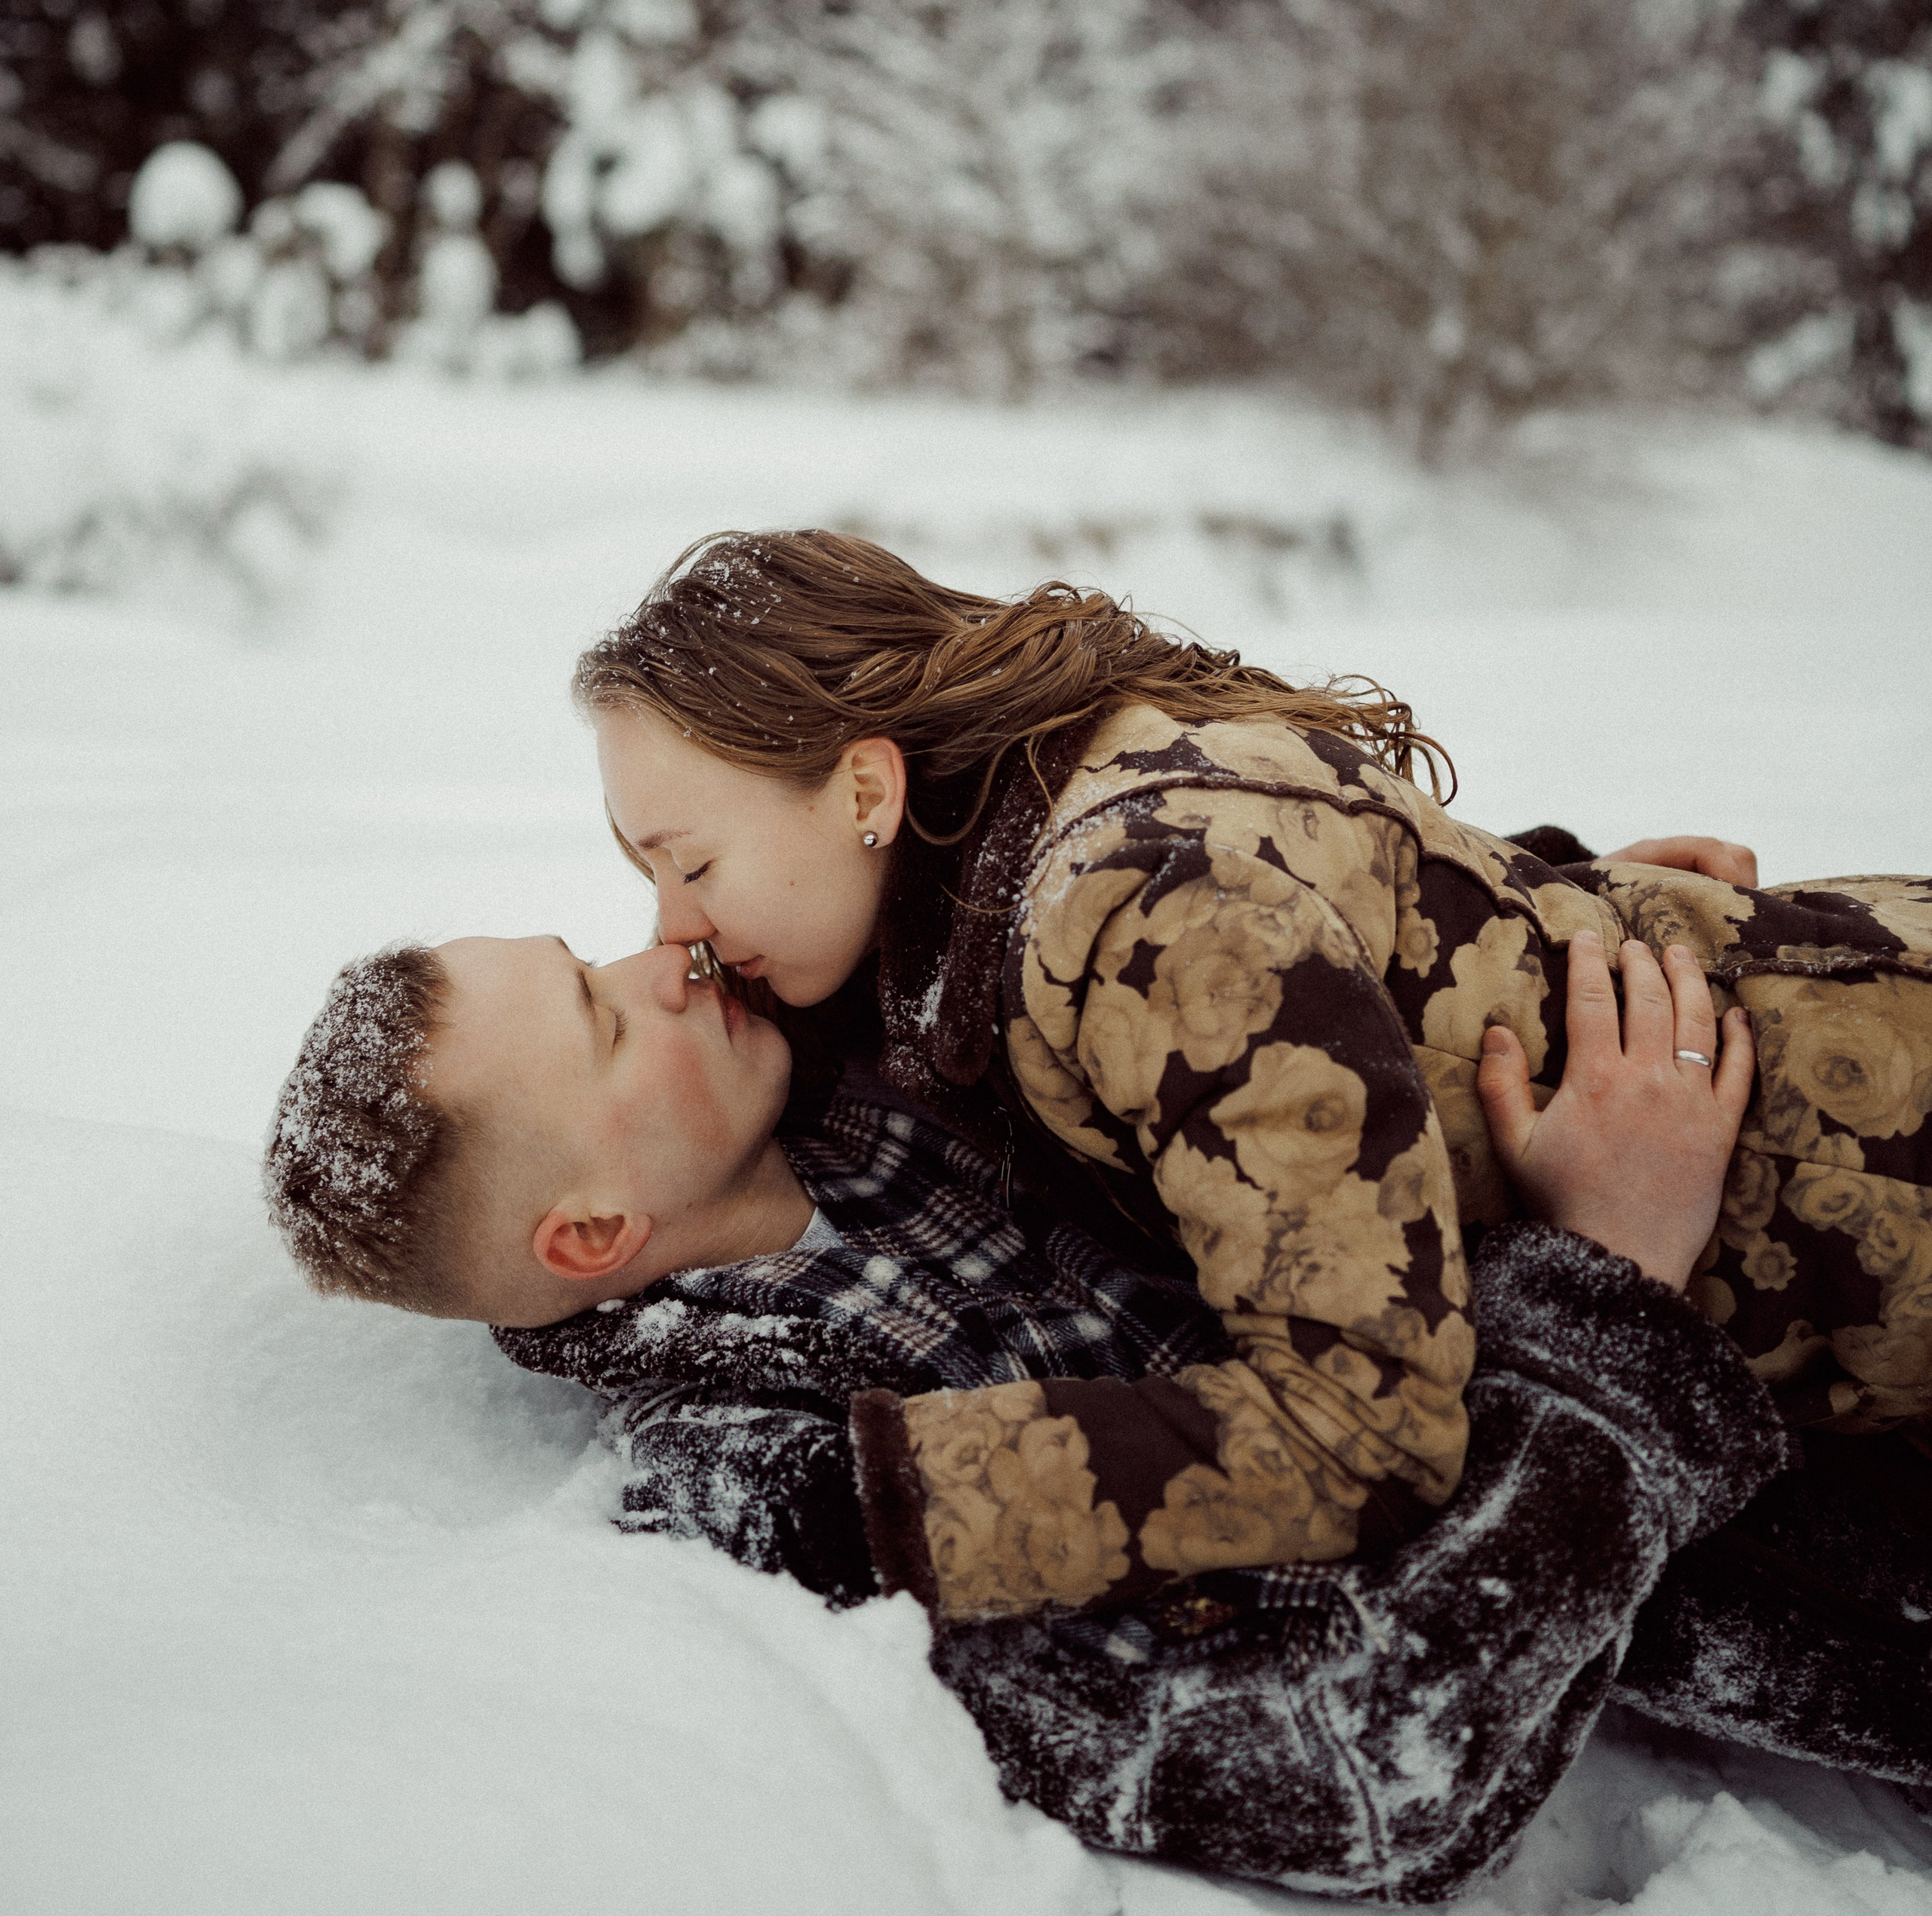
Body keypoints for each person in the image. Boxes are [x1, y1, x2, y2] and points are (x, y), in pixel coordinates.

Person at [261, 922, 1927, 1899]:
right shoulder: (796, 1500)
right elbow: (1355, 1766)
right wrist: (1610, 1287)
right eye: (605, 1015)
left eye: (594, 952)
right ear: (588, 1235)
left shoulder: (887, 1037)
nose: (665, 960)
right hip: (1831, 1553)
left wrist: (1539, 940)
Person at [574, 527, 1932, 1627]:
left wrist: (877, 1503)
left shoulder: (1135, 912)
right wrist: (1537, 897)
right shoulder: (1070, 798)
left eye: (690, 863)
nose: (670, 931)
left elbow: (1362, 1424)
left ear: (867, 793)